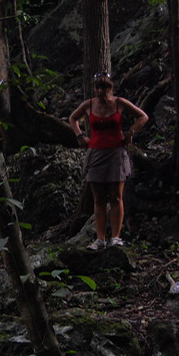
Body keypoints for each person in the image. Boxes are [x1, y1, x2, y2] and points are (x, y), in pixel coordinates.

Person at [69, 72, 148, 250]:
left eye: (103, 87)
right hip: (96, 153)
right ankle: (100, 238)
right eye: (97, 87)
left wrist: (131, 132)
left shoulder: (119, 103)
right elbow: (73, 118)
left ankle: (116, 237)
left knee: (116, 196)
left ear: (110, 88)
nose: (100, 91)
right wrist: (80, 136)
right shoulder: (88, 105)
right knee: (98, 199)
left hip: (116, 153)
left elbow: (143, 116)